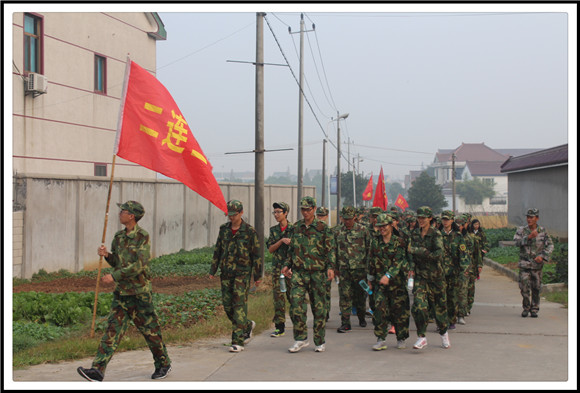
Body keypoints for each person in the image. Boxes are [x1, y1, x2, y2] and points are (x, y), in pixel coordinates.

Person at [77, 201, 171, 382]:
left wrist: (114, 276)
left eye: (123, 211)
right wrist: (107, 256)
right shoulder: (118, 237)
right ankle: (97, 370)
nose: (119, 214)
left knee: (150, 331)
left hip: (139, 294)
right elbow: (117, 262)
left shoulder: (143, 236)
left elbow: (139, 265)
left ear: (132, 216)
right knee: (112, 330)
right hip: (122, 295)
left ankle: (163, 364)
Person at [282, 196, 336, 353]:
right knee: (296, 305)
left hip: (317, 273)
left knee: (319, 308)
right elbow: (291, 249)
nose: (305, 212)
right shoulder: (296, 227)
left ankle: (319, 340)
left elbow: (330, 249)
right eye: (302, 209)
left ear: (314, 209)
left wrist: (331, 267)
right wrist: (287, 265)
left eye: (308, 209)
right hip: (299, 272)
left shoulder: (323, 228)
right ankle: (300, 338)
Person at [209, 200, 262, 353]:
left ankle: (237, 341)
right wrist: (213, 269)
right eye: (229, 215)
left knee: (239, 305)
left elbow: (256, 255)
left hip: (242, 274)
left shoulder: (249, 232)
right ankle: (246, 325)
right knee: (227, 306)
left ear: (241, 213)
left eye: (234, 215)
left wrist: (257, 275)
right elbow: (218, 249)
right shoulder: (224, 229)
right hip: (226, 273)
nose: (231, 218)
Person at [408, 206, 450, 349]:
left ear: (430, 218)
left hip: (436, 277)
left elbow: (438, 254)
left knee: (440, 309)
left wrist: (421, 252)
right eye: (419, 218)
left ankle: (444, 333)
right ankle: (422, 336)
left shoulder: (436, 234)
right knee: (419, 307)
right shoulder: (414, 234)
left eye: (423, 218)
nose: (420, 220)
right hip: (421, 277)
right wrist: (411, 267)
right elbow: (410, 253)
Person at [368, 214, 410, 350]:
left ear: (391, 225)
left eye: (384, 226)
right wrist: (369, 279)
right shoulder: (375, 242)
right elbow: (370, 261)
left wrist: (388, 275)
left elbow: (398, 262)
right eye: (380, 226)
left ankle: (401, 337)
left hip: (397, 283)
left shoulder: (400, 242)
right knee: (379, 309)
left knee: (399, 311)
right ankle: (381, 338)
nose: (382, 229)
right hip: (380, 283)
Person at [334, 206, 372, 333]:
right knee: (344, 296)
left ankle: (361, 317)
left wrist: (368, 269)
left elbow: (369, 250)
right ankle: (345, 323)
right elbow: (333, 251)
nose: (347, 221)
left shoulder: (363, 230)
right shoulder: (337, 231)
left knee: (360, 296)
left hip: (360, 270)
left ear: (354, 217)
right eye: (345, 219)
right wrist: (335, 268)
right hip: (344, 270)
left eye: (349, 219)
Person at [513, 208, 554, 318]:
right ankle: (526, 308)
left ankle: (534, 309)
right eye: (528, 217)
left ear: (537, 218)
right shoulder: (521, 230)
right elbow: (516, 242)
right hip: (524, 264)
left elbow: (550, 245)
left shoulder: (543, 231)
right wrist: (528, 237)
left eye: (532, 217)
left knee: (536, 288)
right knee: (524, 288)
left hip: (537, 266)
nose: (529, 219)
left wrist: (543, 256)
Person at [267, 202, 294, 338]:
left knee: (293, 297)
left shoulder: (294, 229)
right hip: (277, 269)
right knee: (278, 298)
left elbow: (299, 250)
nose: (276, 215)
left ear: (286, 213)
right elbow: (270, 249)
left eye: (279, 212)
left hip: (291, 270)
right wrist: (281, 241)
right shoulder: (273, 230)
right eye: (275, 212)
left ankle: (298, 324)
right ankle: (279, 327)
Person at [440, 211, 470, 329]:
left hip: (453, 272)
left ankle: (452, 320)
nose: (445, 222)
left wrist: (464, 269)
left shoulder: (458, 237)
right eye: (444, 219)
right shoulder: (437, 235)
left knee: (452, 298)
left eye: (447, 219)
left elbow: (463, 254)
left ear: (452, 221)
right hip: (440, 272)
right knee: (441, 298)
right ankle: (441, 322)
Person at [316, 206, 333, 322]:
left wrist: (331, 267)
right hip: (315, 266)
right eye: (318, 215)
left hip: (326, 266)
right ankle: (320, 313)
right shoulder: (313, 230)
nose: (320, 218)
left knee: (326, 291)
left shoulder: (329, 231)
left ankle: (326, 312)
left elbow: (331, 250)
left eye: (322, 216)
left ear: (326, 216)